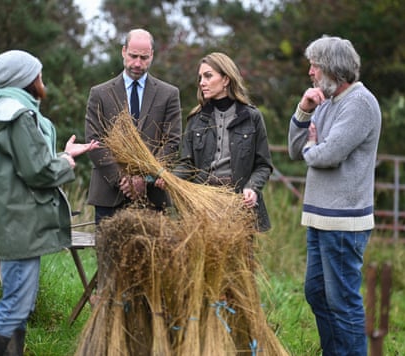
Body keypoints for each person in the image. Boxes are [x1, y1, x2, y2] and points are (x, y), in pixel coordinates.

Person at [0, 50, 99, 356]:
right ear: (27, 79)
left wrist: (62, 155)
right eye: (39, 74)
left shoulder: (4, 111)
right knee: (15, 304)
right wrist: (66, 161)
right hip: (22, 222)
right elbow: (38, 172)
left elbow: (25, 165)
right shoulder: (20, 116)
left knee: (17, 301)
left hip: (14, 218)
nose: (43, 81)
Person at [288, 35, 381, 355]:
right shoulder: (325, 103)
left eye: (315, 66)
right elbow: (294, 150)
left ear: (332, 69)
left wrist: (314, 146)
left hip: (344, 221)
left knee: (343, 302)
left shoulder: (361, 103)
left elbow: (327, 155)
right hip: (319, 215)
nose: (310, 73)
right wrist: (303, 111)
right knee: (316, 293)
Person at [156, 52, 273, 231]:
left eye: (208, 76)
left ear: (226, 79)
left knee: (238, 259)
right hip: (202, 205)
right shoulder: (196, 119)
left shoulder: (252, 117)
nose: (202, 82)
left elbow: (263, 165)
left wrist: (252, 188)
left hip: (238, 206)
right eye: (200, 77)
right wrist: (171, 178)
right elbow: (187, 163)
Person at [85, 28, 182, 225]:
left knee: (152, 256)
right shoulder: (100, 93)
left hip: (153, 195)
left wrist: (146, 178)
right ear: (123, 52)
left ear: (152, 55)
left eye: (144, 58)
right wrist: (123, 179)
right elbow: (94, 141)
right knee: (109, 256)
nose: (137, 63)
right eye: (133, 56)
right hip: (109, 194)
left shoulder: (169, 94)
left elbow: (172, 141)